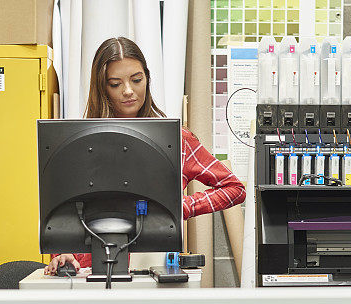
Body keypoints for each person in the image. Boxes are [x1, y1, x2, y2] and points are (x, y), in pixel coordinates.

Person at [45, 37, 245, 274]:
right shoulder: (80, 143)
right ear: (102, 88)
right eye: (115, 84)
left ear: (147, 79)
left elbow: (234, 189)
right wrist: (63, 253)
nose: (129, 91)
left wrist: (181, 206)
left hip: (151, 272)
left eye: (136, 80)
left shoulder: (175, 140)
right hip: (89, 275)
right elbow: (65, 213)